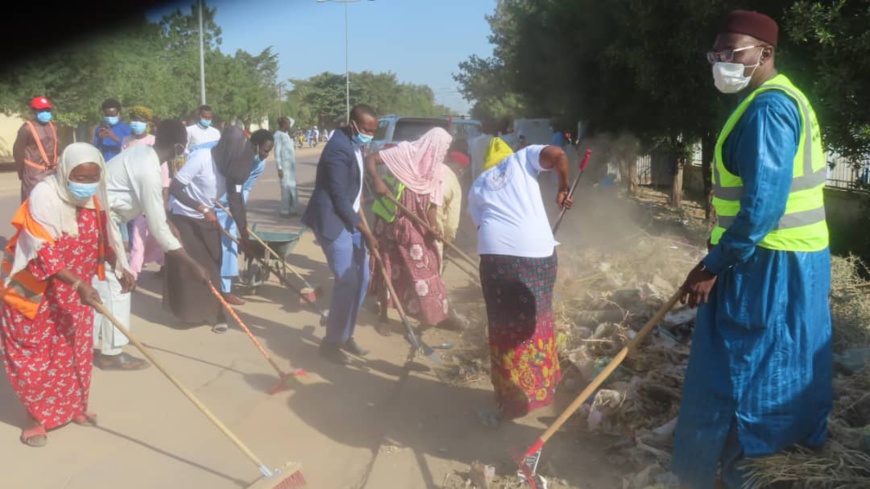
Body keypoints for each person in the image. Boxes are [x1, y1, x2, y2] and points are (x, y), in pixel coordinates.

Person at [672, 11, 832, 489]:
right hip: (793, 260)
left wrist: (712, 263)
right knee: (786, 362)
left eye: (733, 53)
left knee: (742, 370)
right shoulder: (784, 100)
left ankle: (741, 473)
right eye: (716, 54)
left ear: (765, 54)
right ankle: (777, 460)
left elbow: (763, 206)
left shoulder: (768, 108)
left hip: (768, 264)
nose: (723, 62)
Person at [0, 143, 133, 447]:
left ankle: (74, 408)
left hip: (75, 293)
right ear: (64, 172)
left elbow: (103, 237)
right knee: (35, 355)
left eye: (92, 178)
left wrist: (119, 265)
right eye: (80, 177)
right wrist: (79, 285)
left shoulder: (95, 200)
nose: (86, 185)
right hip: (35, 292)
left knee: (72, 350)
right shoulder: (44, 197)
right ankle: (36, 417)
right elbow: (41, 251)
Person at [92, 120, 211, 371]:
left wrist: (168, 220)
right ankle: (111, 353)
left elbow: (153, 204)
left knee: (101, 285)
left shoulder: (142, 152)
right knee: (119, 285)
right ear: (179, 146)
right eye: (185, 146)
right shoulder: (148, 167)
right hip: (102, 220)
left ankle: (91, 344)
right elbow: (158, 229)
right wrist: (193, 265)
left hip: (104, 217)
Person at [467, 144, 572, 424]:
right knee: (538, 322)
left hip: (497, 260)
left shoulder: (477, 185)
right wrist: (563, 187)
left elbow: (480, 226)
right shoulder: (521, 159)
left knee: (503, 326)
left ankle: (510, 400)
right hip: (537, 257)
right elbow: (559, 154)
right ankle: (540, 389)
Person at [302, 104, 379, 365]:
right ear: (353, 125)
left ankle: (347, 334)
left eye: (373, 131)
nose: (370, 134)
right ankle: (331, 342)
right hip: (334, 221)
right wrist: (365, 230)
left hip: (351, 218)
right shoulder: (337, 148)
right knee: (346, 281)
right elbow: (338, 197)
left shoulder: (356, 144)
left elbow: (353, 191)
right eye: (366, 129)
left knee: (363, 279)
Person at [166, 126, 255, 333]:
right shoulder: (202, 158)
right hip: (184, 216)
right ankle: (188, 313)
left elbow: (236, 201)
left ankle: (217, 312)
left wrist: (243, 235)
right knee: (189, 268)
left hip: (208, 220)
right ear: (225, 147)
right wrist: (203, 208)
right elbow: (175, 188)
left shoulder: (233, 166)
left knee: (215, 264)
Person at [366, 127, 453, 335]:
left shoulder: (437, 169)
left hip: (417, 226)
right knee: (388, 266)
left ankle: (430, 315)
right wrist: (377, 180)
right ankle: (384, 317)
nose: (445, 152)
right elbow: (370, 158)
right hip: (391, 220)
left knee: (427, 266)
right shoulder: (404, 153)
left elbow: (432, 205)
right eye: (443, 147)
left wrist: (434, 227)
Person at [216, 129, 273, 305]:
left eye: (269, 151)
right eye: (264, 150)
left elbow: (245, 189)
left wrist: (239, 212)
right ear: (255, 145)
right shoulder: (231, 154)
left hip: (232, 206)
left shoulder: (260, 164)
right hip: (212, 202)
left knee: (228, 245)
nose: (266, 155)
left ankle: (225, 290)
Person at [14, 96, 59, 202]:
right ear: (34, 111)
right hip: (33, 175)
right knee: (32, 204)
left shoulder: (53, 127)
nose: (46, 113)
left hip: (52, 174)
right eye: (42, 110)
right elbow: (18, 152)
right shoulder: (26, 129)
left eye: (47, 110)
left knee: (51, 205)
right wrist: (21, 172)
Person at [436, 149, 467, 274]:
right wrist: (448, 238)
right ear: (460, 168)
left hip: (416, 227)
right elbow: (451, 220)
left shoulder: (432, 170)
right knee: (438, 263)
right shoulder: (453, 181)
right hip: (438, 231)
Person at [274, 116, 299, 217]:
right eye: (288, 123)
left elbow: (293, 120)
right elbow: (277, 153)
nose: (290, 125)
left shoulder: (286, 135)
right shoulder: (278, 135)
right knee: (285, 188)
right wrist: (279, 168)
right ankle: (284, 211)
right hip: (284, 166)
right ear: (284, 124)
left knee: (292, 188)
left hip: (291, 166)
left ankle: (292, 209)